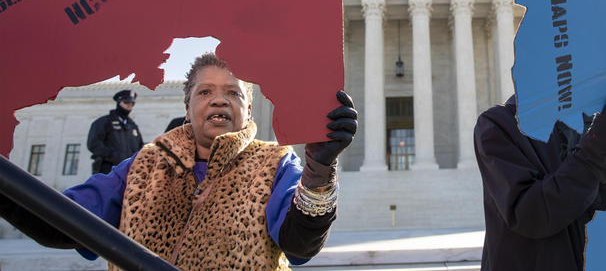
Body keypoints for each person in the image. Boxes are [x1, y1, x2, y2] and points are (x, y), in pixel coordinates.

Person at [1, 53, 358, 270]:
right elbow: (61, 221)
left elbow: (299, 244)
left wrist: (319, 171)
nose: (219, 101)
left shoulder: (275, 165)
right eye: (205, 92)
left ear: (249, 108)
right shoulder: (143, 168)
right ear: (186, 107)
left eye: (232, 93)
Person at [474, 81, 606, 271]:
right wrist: (596, 151)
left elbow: (583, 214)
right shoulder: (498, 124)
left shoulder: (582, 124)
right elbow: (530, 213)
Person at [87, 90, 144, 174]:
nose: (129, 105)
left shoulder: (133, 126)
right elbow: (94, 144)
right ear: (118, 102)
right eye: (126, 102)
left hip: (129, 172)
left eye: (132, 103)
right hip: (108, 170)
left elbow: (140, 147)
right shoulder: (104, 122)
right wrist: (114, 156)